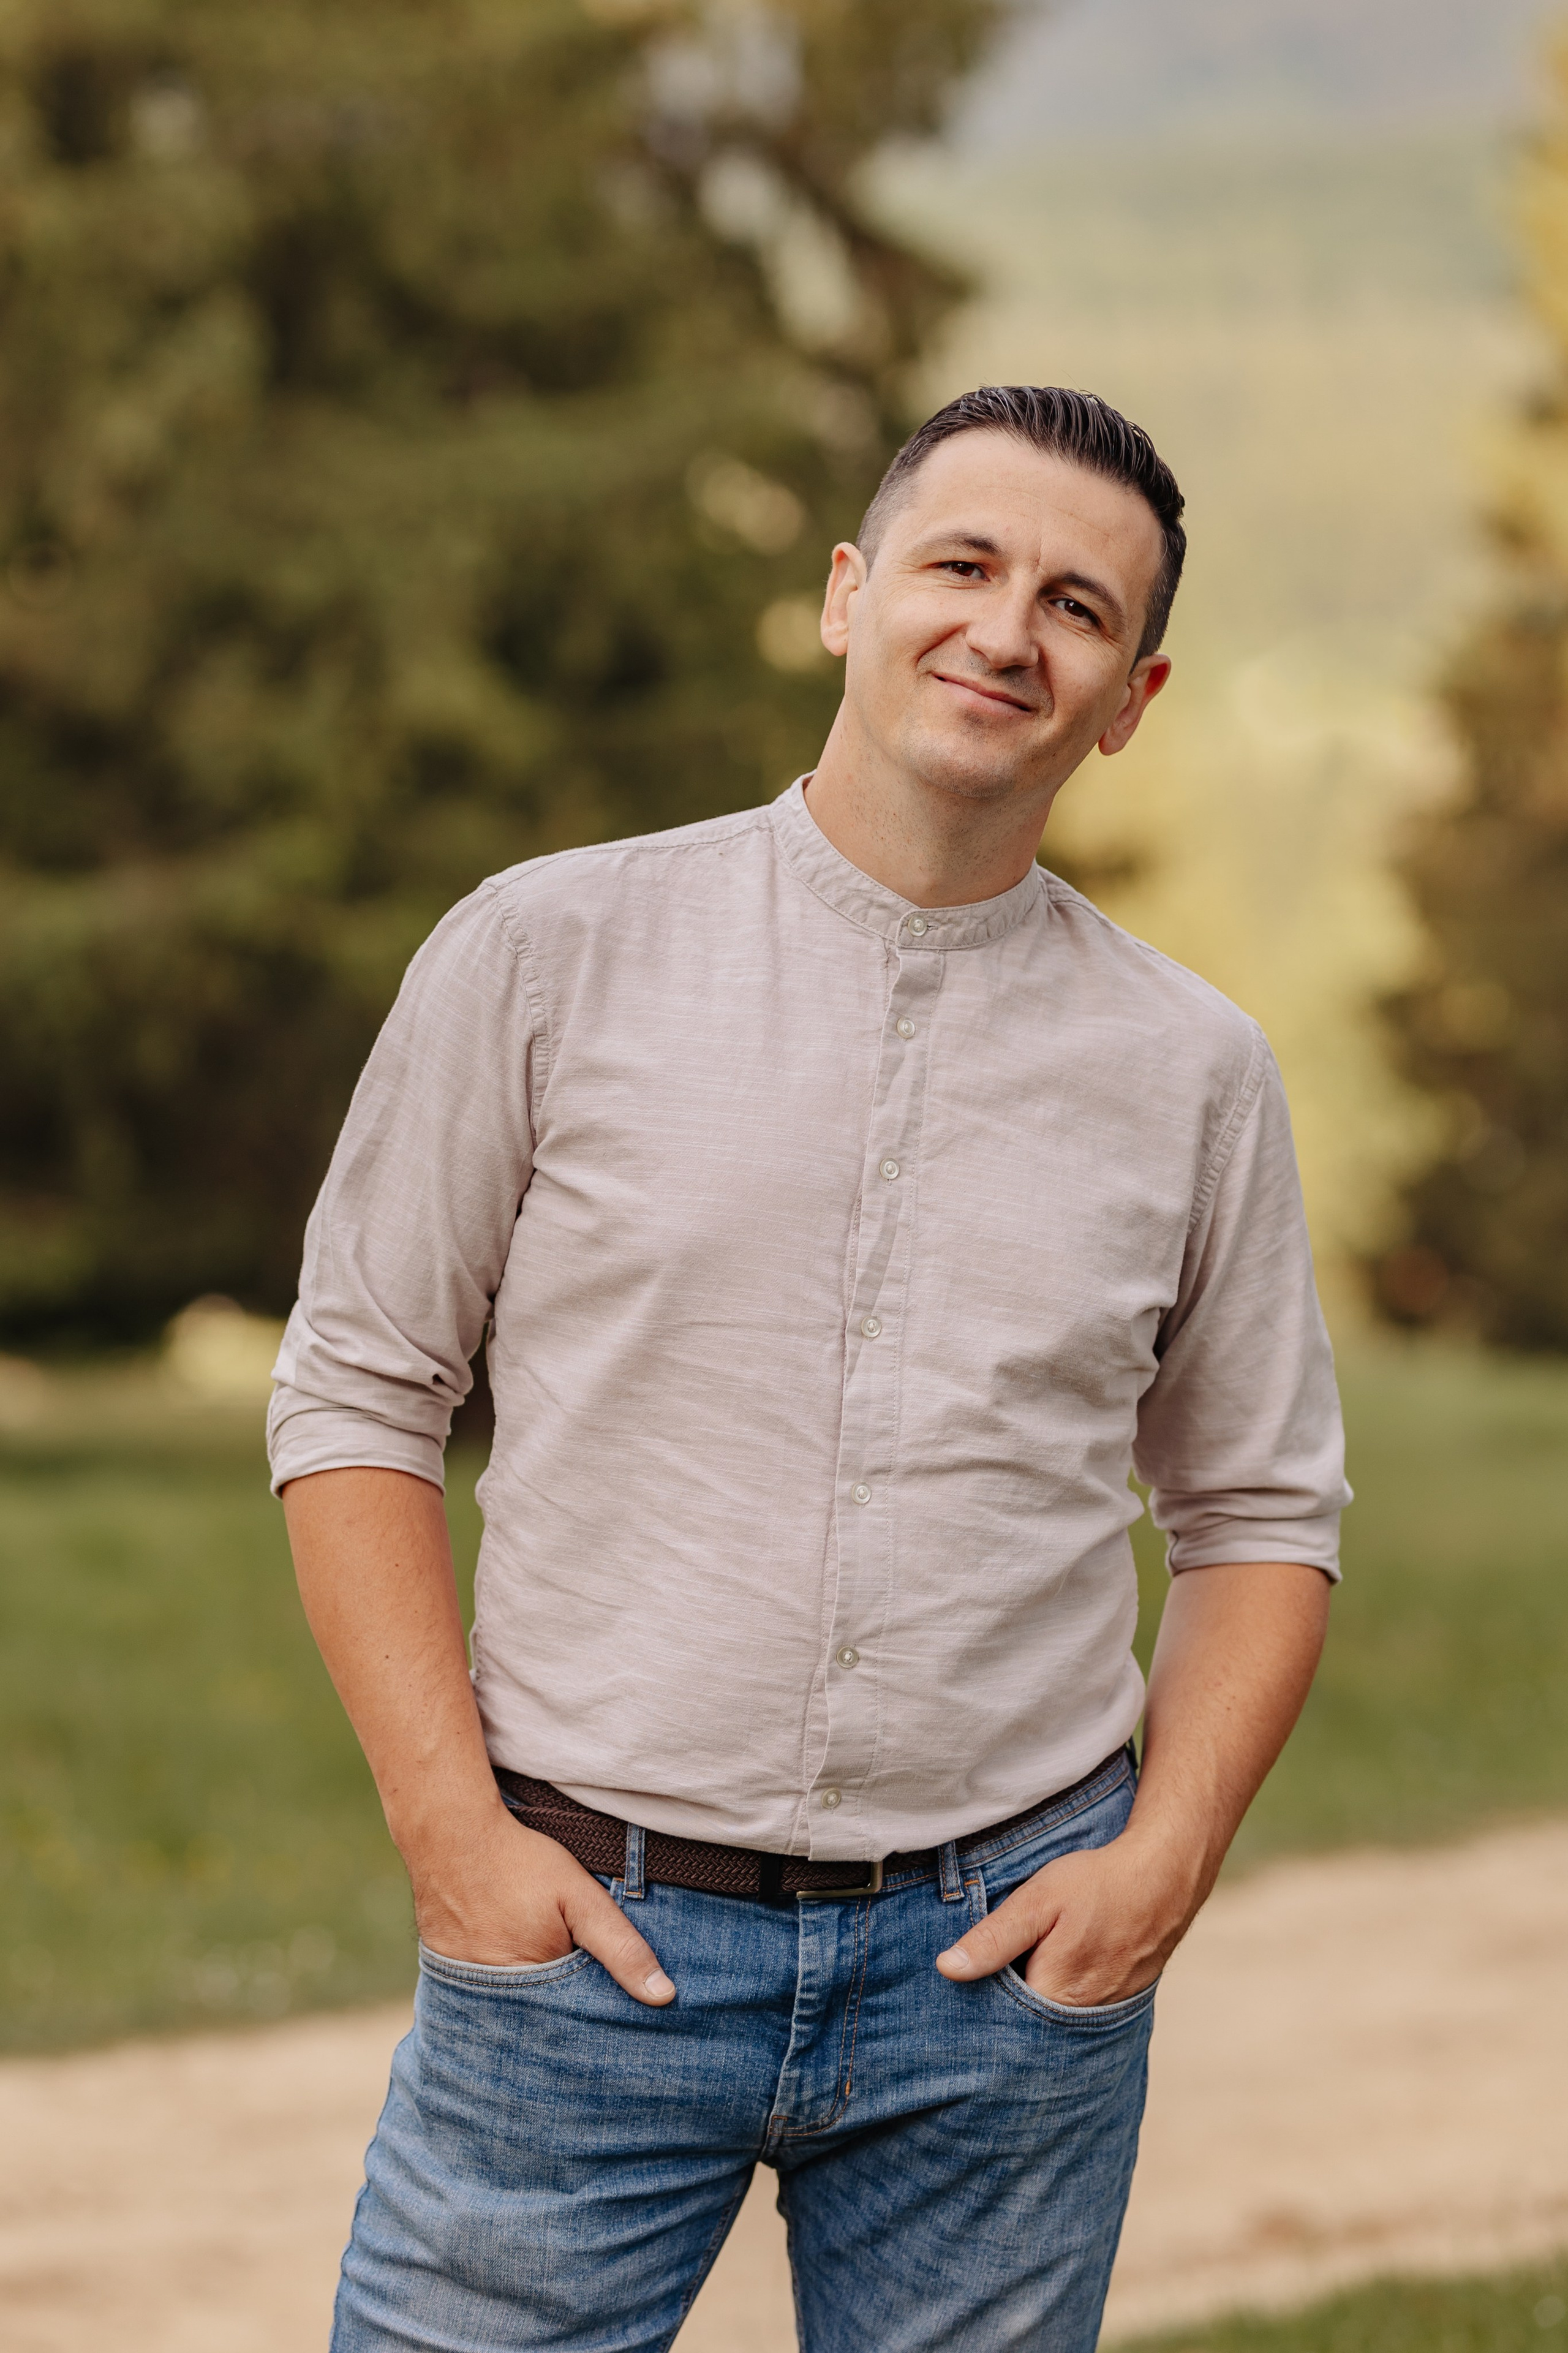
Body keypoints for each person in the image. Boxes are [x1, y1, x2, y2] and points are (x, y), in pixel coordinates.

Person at [271, 383, 1347, 2353]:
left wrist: (1157, 1872)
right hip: (582, 1944)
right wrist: (454, 1843)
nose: (1007, 629)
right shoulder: (547, 951)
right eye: (960, 564)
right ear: (846, 595)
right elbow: (357, 1388)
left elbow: (1265, 1508)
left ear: (1133, 694)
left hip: (1002, 1979)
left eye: (1077, 607)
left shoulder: (1193, 1071)